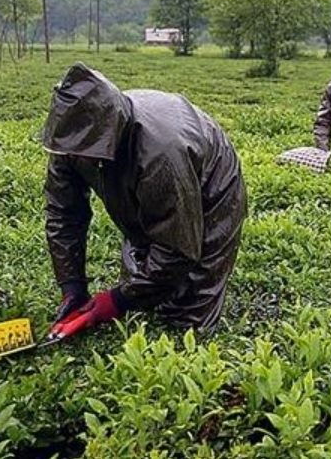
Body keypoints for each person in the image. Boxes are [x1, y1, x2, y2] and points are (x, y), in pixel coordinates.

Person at [40, 62, 245, 337]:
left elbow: (178, 250)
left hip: (213, 183)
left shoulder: (162, 154)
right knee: (144, 281)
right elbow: (63, 214)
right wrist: (72, 288)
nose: (78, 160)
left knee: (188, 315)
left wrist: (115, 301)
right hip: (155, 170)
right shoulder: (69, 138)